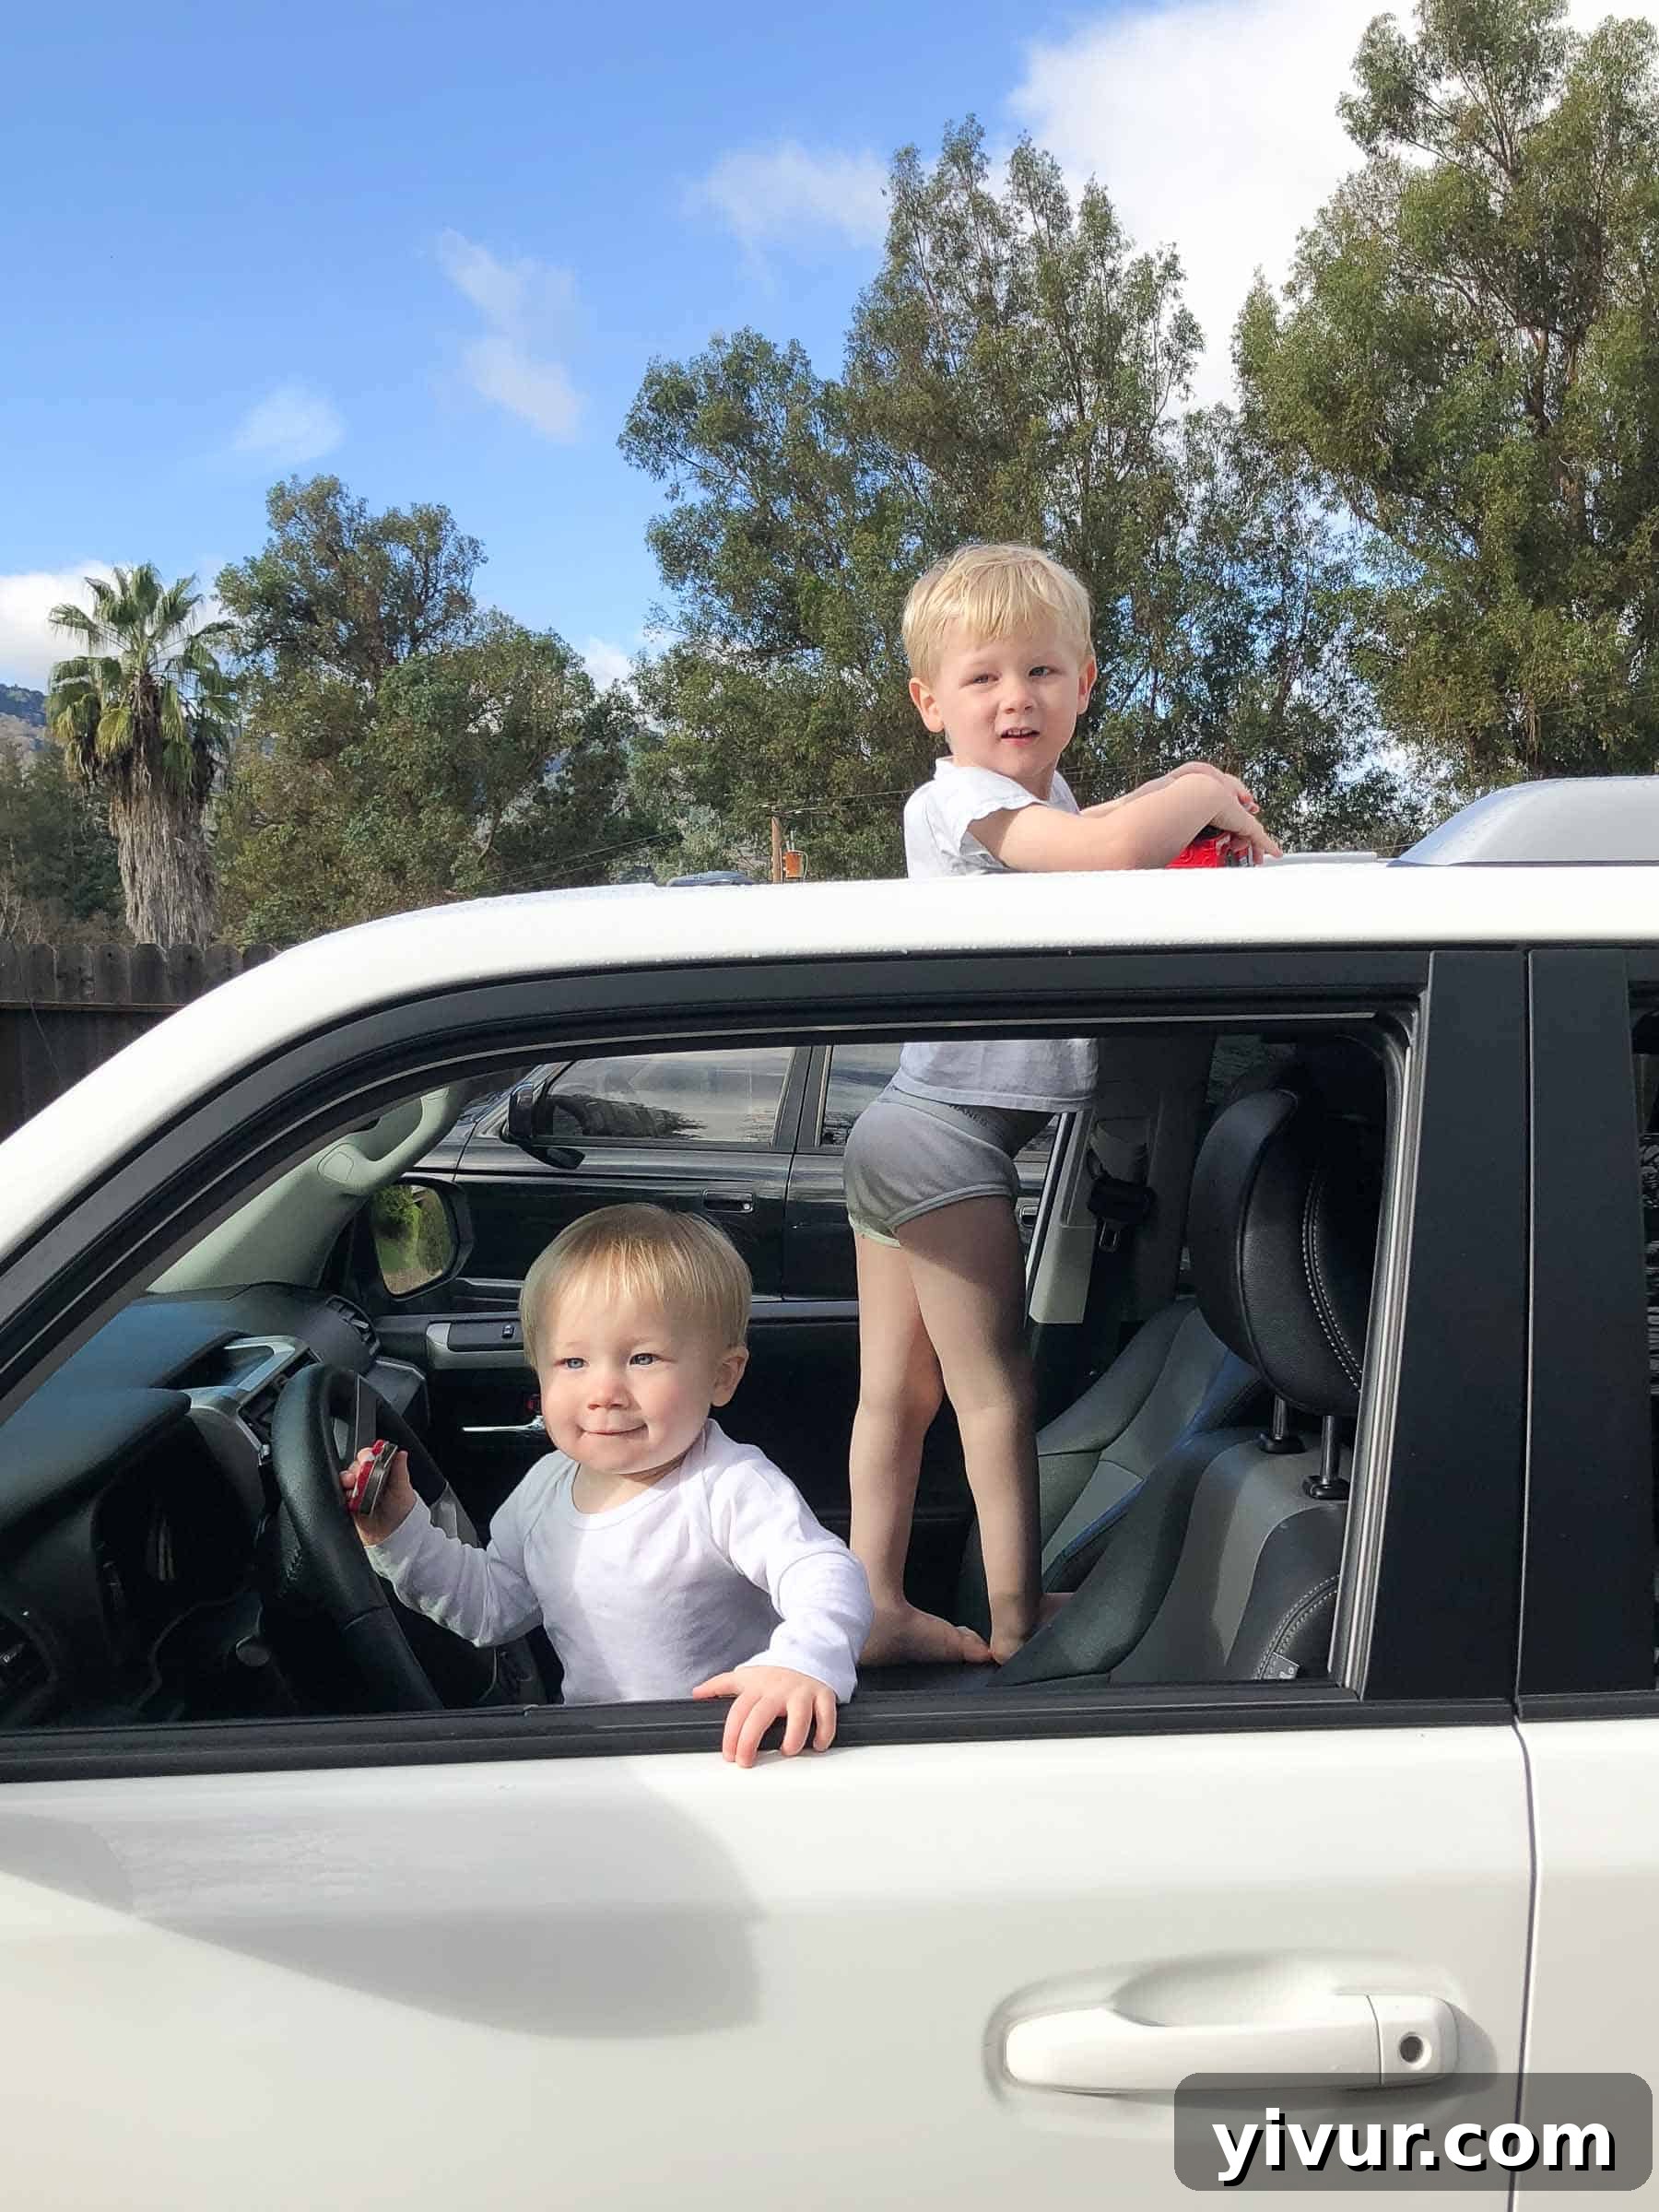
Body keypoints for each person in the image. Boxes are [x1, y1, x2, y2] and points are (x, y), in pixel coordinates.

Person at [845, 541, 1280, 1669]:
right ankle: (1014, 1611)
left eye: (1041, 672)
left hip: (903, 1127)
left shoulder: (1041, 802)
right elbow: (1099, 853)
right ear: (927, 703)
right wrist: (1194, 788)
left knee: (897, 1395)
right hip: (943, 1135)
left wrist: (1174, 813)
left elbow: (1110, 837)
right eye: (982, 676)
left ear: (1084, 686)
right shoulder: (962, 804)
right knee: (994, 1391)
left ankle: (877, 1598)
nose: (1014, 698)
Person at [343, 1202, 873, 1767]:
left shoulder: (727, 1485)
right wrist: (399, 1533)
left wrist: (800, 1662)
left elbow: (824, 1572)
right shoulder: (545, 1488)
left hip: (728, 1754)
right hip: (601, 1758)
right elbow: (492, 1606)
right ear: (538, 1371)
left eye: (642, 1358)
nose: (605, 1392)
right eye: (573, 1362)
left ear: (722, 1376)